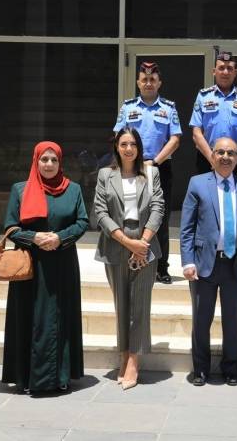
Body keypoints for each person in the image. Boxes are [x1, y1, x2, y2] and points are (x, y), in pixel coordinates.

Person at [2, 142, 89, 394]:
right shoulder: (20, 189)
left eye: (54, 160)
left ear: (60, 163)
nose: (49, 164)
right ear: (36, 161)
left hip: (62, 264)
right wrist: (35, 238)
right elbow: (10, 227)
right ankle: (29, 378)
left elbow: (82, 222)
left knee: (60, 317)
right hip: (30, 267)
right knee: (31, 318)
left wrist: (60, 237)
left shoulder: (73, 190)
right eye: (44, 159)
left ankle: (60, 376)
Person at [180, 137, 237, 386]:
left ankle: (231, 369)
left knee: (232, 320)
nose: (226, 157)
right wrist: (187, 261)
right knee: (201, 320)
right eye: (221, 152)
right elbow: (187, 227)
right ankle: (201, 369)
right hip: (204, 263)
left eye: (231, 153)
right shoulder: (197, 183)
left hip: (235, 264)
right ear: (212, 156)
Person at [93, 128, 164, 390]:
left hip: (145, 242)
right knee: (121, 304)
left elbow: (158, 207)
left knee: (139, 306)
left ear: (139, 147)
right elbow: (100, 212)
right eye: (123, 144)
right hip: (115, 244)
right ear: (117, 147)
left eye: (133, 144)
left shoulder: (151, 173)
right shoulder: (105, 174)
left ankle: (134, 360)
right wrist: (127, 241)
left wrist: (142, 242)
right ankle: (123, 355)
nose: (128, 149)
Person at [114, 61, 181, 285]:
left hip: (159, 168)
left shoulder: (168, 108)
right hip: (131, 167)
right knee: (131, 215)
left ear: (159, 83)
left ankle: (161, 268)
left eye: (153, 79)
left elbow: (175, 139)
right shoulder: (128, 107)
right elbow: (118, 136)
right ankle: (130, 259)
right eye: (145, 79)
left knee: (159, 218)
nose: (148, 83)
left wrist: (155, 162)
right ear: (138, 82)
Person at [190, 50, 237, 178]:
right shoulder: (203, 96)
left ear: (235, 73)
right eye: (221, 68)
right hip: (207, 159)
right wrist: (212, 158)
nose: (225, 72)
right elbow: (196, 133)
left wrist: (235, 156)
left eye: (229, 68)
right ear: (214, 71)